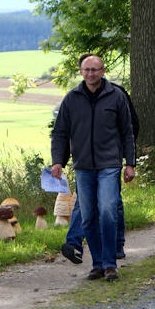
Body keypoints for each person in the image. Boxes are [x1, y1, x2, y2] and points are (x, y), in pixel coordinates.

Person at [51, 54, 136, 281]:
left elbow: (127, 132)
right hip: (83, 166)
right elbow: (60, 133)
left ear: (103, 71)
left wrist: (130, 163)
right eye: (87, 70)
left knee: (108, 211)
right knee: (87, 216)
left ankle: (110, 264)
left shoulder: (116, 96)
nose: (91, 74)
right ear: (80, 71)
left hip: (109, 164)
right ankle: (97, 264)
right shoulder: (71, 99)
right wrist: (58, 161)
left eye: (95, 70)